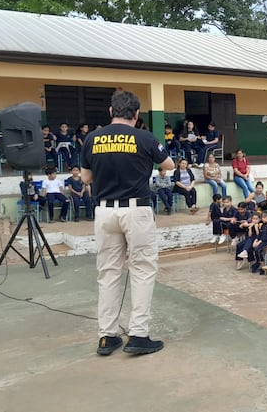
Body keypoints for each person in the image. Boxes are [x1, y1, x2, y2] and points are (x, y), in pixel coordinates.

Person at [81, 89, 174, 356]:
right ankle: (138, 335)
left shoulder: (92, 138)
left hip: (104, 213)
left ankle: (106, 337)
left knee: (108, 274)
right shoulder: (145, 138)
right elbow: (167, 164)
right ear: (136, 114)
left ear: (111, 112)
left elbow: (86, 178)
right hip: (136, 211)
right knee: (142, 270)